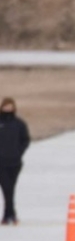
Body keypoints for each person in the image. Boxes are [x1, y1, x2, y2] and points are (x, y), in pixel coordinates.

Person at [0, 97, 30, 226]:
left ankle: (8, 215)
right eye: (5, 107)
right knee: (7, 188)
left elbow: (25, 139)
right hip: (1, 162)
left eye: (10, 107)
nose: (8, 109)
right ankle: (11, 214)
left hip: (15, 162)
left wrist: (19, 152)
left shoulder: (19, 124)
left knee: (10, 189)